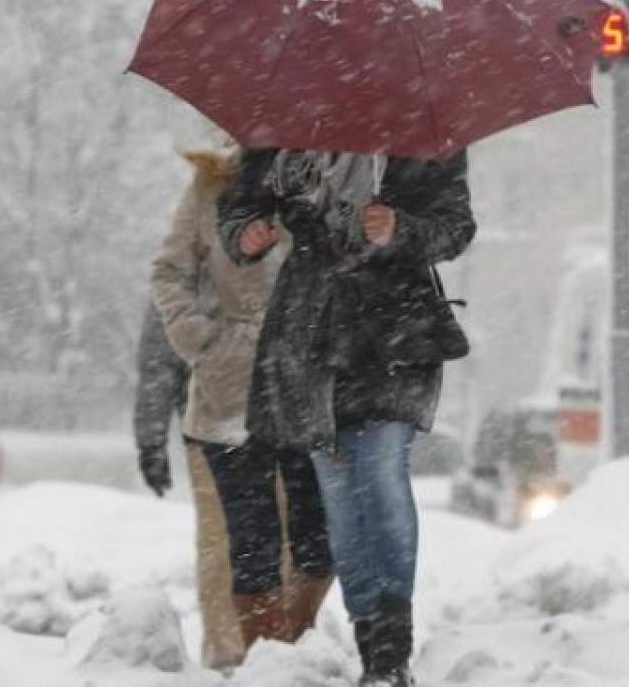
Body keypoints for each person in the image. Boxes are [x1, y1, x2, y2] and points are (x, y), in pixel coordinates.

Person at [219, 149, 475, 687]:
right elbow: (239, 207)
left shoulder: (419, 128)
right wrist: (246, 233)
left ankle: (390, 649)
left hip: (396, 329)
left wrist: (400, 229)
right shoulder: (288, 122)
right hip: (310, 331)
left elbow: (455, 226)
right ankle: (371, 640)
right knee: (339, 491)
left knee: (380, 472)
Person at [152, 141, 334, 663]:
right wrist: (202, 340)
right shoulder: (215, 184)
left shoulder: (332, 175)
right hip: (230, 388)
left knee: (317, 540)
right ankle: (257, 662)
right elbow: (170, 271)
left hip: (312, 383)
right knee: (248, 544)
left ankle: (291, 649)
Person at [133, 300, 245, 670]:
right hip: (210, 425)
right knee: (222, 538)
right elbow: (159, 360)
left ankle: (252, 641)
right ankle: (229, 649)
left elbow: (157, 363)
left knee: (233, 539)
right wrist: (151, 440)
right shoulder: (185, 265)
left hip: (267, 423)